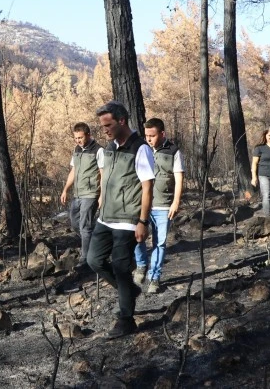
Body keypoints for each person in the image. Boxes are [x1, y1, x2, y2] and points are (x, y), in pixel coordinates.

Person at [87, 101, 154, 339]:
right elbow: (106, 178)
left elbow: (147, 188)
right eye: (102, 125)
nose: (104, 130)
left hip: (128, 220)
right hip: (105, 218)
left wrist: (142, 222)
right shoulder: (110, 147)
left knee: (121, 268)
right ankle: (129, 291)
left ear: (122, 121)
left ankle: (126, 320)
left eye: (108, 125)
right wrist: (101, 203)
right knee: (93, 260)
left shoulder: (140, 148)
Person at [133, 118, 184, 294]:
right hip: (141, 204)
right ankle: (141, 265)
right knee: (137, 238)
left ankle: (154, 277)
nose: (148, 139)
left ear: (162, 134)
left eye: (152, 135)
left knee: (159, 243)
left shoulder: (173, 151)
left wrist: (176, 202)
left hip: (164, 205)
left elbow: (179, 178)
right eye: (146, 135)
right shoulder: (141, 148)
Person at [60, 123, 104, 270]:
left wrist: (101, 196)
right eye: (76, 138)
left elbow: (103, 174)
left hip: (91, 193)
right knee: (74, 222)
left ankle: (85, 259)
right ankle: (94, 245)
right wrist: (66, 189)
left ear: (88, 135)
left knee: (85, 226)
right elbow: (74, 171)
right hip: (77, 193)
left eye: (80, 137)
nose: (78, 140)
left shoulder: (99, 151)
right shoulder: (77, 150)